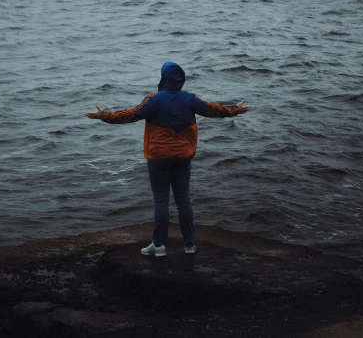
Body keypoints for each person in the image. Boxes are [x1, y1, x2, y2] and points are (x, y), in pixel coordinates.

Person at [85, 61, 250, 256]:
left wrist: (103, 115)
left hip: (158, 157)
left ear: (163, 78)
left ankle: (159, 246)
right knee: (184, 200)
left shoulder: (154, 100)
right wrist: (234, 110)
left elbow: (130, 115)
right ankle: (189, 245)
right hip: (183, 157)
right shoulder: (189, 99)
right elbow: (212, 109)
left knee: (161, 201)